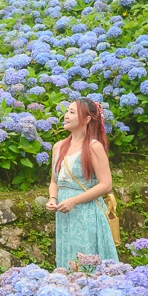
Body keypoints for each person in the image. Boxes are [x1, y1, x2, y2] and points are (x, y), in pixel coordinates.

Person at [45, 98, 119, 269]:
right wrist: (52, 199)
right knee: (68, 260)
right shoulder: (58, 146)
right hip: (64, 214)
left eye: (72, 112)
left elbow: (106, 184)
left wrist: (74, 200)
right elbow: (54, 181)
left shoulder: (94, 147)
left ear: (86, 119)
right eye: (67, 111)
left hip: (87, 213)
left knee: (87, 260)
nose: (66, 116)